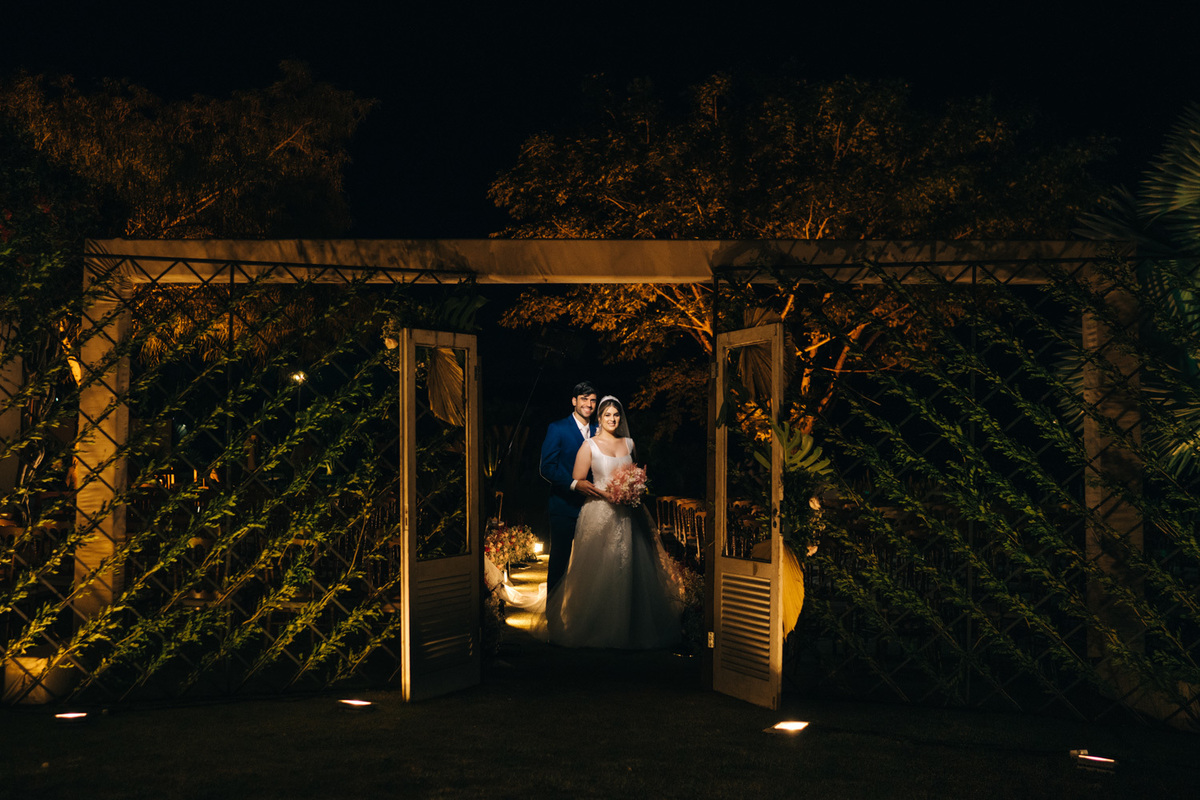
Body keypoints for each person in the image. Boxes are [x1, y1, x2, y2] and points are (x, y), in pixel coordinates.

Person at [546, 396, 681, 649]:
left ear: (621, 418)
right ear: (599, 418)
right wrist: (609, 494)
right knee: (599, 570)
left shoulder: (629, 443)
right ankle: (595, 625)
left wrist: (634, 489)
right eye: (607, 414)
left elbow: (634, 474)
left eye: (616, 415)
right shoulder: (589, 445)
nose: (612, 419)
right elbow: (579, 481)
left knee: (630, 567)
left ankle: (631, 626)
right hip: (599, 513)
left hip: (629, 515)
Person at [539, 382, 601, 593]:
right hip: (563, 507)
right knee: (560, 562)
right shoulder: (557, 428)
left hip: (593, 509)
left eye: (593, 400)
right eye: (584, 399)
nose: (589, 404)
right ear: (574, 401)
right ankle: (553, 616)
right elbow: (546, 467)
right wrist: (574, 484)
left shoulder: (599, 430)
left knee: (591, 565)